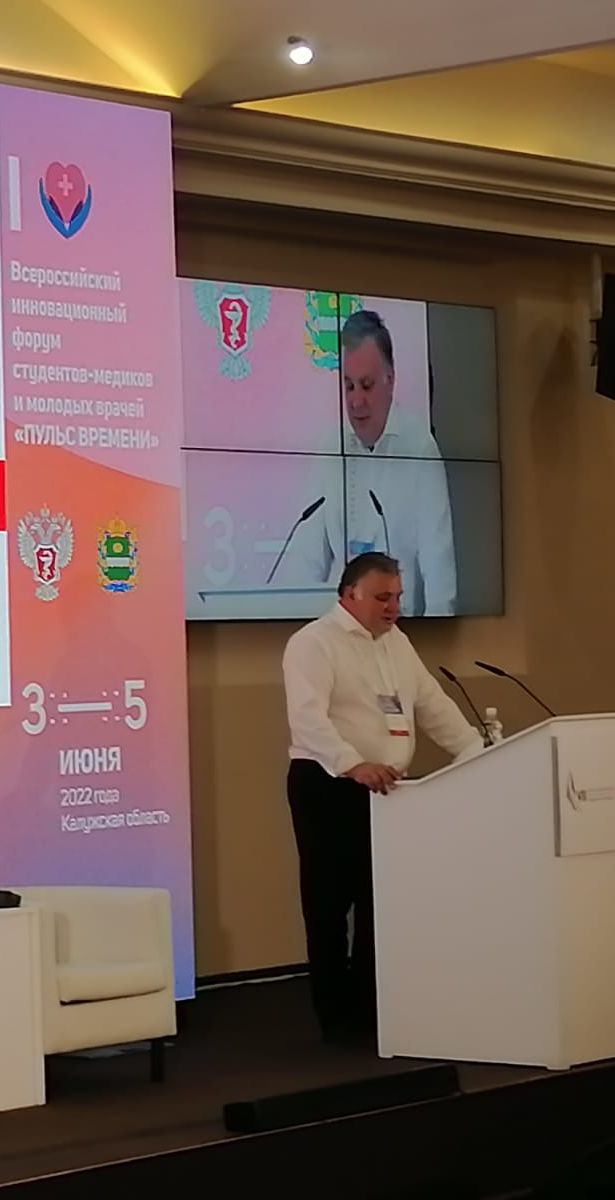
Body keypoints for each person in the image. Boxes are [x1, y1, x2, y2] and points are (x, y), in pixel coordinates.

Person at [281, 551, 483, 1042]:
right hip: (328, 786)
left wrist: (476, 752)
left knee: (381, 904)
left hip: (389, 790)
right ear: (349, 595)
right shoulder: (313, 643)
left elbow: (432, 704)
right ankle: (336, 1018)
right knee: (330, 905)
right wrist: (354, 764)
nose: (393, 607)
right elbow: (308, 719)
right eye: (382, 597)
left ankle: (376, 1008)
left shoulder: (397, 642)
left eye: (397, 597)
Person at [273, 310, 458, 616]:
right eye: (349, 386)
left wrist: (437, 636)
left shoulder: (419, 448)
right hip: (336, 632)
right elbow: (305, 564)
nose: (356, 401)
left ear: (390, 380)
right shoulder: (330, 448)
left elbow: (440, 572)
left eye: (367, 385)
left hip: (397, 631)